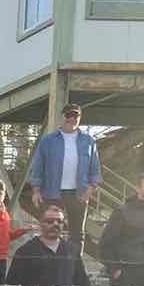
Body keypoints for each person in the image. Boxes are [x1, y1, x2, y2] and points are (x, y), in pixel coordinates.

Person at [26, 103, 102, 245]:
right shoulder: (47, 141)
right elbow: (38, 167)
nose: (72, 119)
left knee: (77, 234)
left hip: (79, 194)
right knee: (50, 231)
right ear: (62, 117)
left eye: (75, 116)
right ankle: (50, 258)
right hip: (51, 193)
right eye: (69, 115)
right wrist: (36, 191)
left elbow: (95, 169)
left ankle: (74, 260)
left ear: (80, 118)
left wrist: (90, 190)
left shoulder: (89, 141)